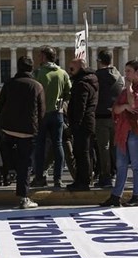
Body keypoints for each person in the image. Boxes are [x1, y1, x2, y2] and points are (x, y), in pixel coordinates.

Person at [100, 60, 138, 207]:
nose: (126, 74)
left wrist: (129, 89)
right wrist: (124, 106)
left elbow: (135, 104)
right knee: (121, 164)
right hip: (123, 131)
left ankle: (137, 196)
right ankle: (116, 196)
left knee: (137, 164)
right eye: (126, 71)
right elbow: (117, 108)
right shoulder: (125, 90)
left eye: (129, 71)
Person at [0, 55, 45, 209]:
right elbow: (41, 111)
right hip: (27, 131)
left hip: (9, 128)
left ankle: (9, 173)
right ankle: (23, 197)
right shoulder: (37, 86)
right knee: (25, 164)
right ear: (32, 69)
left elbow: (1, 105)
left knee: (11, 157)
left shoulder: (8, 84)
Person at [30, 46, 71, 189]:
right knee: (58, 145)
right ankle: (58, 179)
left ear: (44, 57)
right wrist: (61, 103)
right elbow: (68, 93)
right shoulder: (63, 73)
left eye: (40, 56)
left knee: (40, 147)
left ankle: (40, 177)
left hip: (42, 114)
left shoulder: (38, 73)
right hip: (58, 113)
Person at [65, 57, 99, 191]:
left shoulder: (81, 84)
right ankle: (82, 180)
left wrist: (75, 124)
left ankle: (83, 181)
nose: (70, 71)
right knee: (84, 153)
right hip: (88, 122)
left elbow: (80, 107)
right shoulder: (91, 81)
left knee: (82, 153)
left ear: (79, 68)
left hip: (83, 123)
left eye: (72, 68)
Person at [93, 49, 124, 188]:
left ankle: (106, 176)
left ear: (100, 61)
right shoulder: (119, 76)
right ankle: (115, 173)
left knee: (103, 148)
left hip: (101, 116)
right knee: (114, 147)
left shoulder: (97, 76)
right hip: (116, 116)